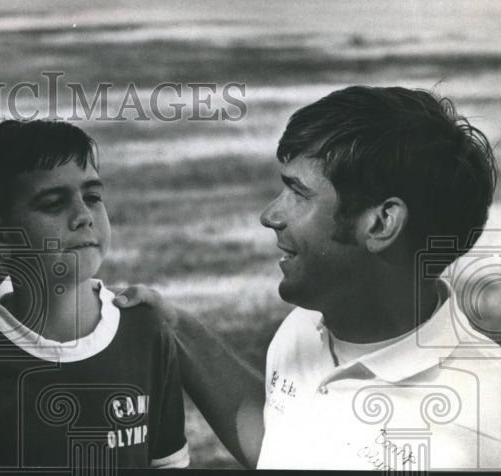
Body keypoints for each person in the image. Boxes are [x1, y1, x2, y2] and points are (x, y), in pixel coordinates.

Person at [116, 86, 501, 469]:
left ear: (381, 223)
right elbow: (281, 444)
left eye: (298, 193)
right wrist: (175, 327)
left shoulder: (488, 414)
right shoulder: (306, 326)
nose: (269, 215)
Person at [0, 119, 189, 469]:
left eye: (92, 196)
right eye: (53, 203)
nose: (83, 216)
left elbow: (167, 463)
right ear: (1, 238)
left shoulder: (146, 332)